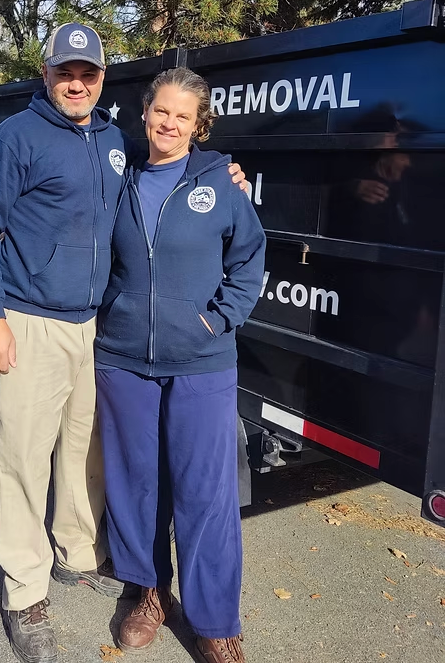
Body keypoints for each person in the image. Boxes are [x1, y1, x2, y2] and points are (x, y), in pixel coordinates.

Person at [0, 24, 248, 663]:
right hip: (29, 320)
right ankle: (25, 591)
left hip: (98, 327)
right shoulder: (17, 138)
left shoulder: (117, 143)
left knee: (86, 453)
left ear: (102, 78)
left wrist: (229, 177)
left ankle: (77, 551)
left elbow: (182, 197)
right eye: (67, 71)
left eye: (89, 72)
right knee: (23, 460)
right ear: (48, 73)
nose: (78, 82)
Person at [94, 67, 266, 664]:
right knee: (137, 485)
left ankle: (215, 619)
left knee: (205, 493)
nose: (169, 123)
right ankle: (147, 593)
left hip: (201, 360)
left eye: (182, 116)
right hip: (122, 358)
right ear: (144, 114)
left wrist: (216, 320)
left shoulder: (220, 182)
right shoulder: (117, 177)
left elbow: (249, 260)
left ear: (198, 125)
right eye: (160, 111)